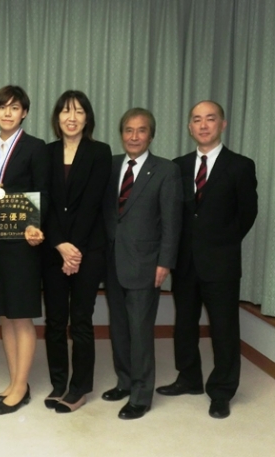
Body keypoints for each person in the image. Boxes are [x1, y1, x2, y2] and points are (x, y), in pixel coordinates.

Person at [156, 101, 258, 419]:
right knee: (184, 324)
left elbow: (247, 214)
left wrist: (222, 243)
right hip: (185, 262)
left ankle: (222, 390)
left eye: (210, 119)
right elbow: (172, 215)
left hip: (222, 262)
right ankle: (189, 378)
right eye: (197, 120)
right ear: (189, 127)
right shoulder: (178, 166)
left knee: (224, 328)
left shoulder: (240, 166)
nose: (203, 125)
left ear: (222, 124)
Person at [102, 108, 182, 420]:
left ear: (151, 134)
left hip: (146, 263)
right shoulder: (109, 167)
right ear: (121, 133)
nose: (134, 136)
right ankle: (124, 381)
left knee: (139, 330)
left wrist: (165, 262)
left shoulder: (165, 170)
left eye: (141, 130)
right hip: (112, 262)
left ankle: (141, 395)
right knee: (119, 328)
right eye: (128, 130)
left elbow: (172, 223)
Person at [0, 85, 49, 415]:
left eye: (14, 107)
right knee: (4, 315)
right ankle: (13, 381)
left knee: (21, 316)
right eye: (2, 107)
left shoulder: (36, 147)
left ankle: (21, 385)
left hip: (24, 244)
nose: (8, 112)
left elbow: (43, 194)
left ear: (24, 113)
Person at [41, 90, 112, 413]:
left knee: (81, 319)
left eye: (79, 112)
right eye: (66, 111)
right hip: (53, 249)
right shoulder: (45, 153)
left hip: (88, 250)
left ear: (88, 118)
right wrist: (60, 245)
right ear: (57, 118)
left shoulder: (100, 152)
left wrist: (75, 251)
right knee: (55, 320)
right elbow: (45, 204)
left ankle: (80, 386)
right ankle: (59, 381)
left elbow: (92, 204)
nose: (72, 117)